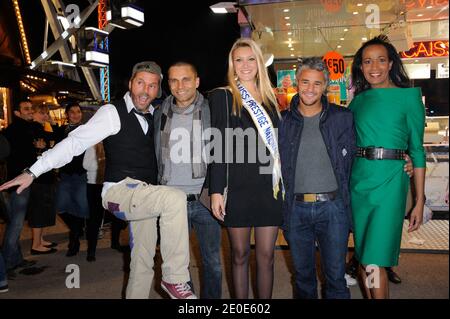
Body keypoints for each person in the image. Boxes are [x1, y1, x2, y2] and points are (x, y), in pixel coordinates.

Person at [0, 61, 196, 299]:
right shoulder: (112, 112)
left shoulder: (155, 115)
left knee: (142, 262)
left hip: (146, 195)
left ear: (158, 89)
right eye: (141, 83)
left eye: (152, 85)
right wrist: (33, 172)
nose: (145, 90)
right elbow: (75, 143)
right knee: (175, 199)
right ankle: (175, 279)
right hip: (120, 191)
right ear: (131, 83)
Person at [349, 35, 426, 299]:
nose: (374, 67)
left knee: (375, 256)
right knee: (363, 257)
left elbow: (417, 150)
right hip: (359, 181)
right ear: (360, 66)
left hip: (391, 182)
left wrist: (418, 199)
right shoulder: (357, 101)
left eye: (381, 60)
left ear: (391, 64)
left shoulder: (409, 97)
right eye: (367, 61)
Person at [209, 38, 283, 299]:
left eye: (251, 59)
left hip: (268, 188)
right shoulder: (222, 96)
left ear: (259, 63)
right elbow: (217, 145)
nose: (245, 65)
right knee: (239, 254)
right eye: (238, 60)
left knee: (266, 256)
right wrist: (216, 190)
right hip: (237, 188)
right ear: (232, 65)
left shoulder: (272, 100)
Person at [279, 57, 355, 299]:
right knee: (302, 278)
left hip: (333, 209)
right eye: (305, 82)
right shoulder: (282, 121)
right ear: (296, 83)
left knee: (335, 278)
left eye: (317, 83)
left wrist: (402, 160)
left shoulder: (343, 118)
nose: (310, 89)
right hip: (296, 209)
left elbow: (358, 158)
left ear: (325, 86)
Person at [154, 61, 222, 298]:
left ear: (197, 82)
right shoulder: (159, 112)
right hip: (172, 200)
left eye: (186, 79)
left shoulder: (213, 110)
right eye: (174, 80)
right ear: (168, 83)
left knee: (212, 262)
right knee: (177, 268)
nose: (180, 85)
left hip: (205, 199)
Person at [1, 100, 37, 273]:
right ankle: (7, 262)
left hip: (14, 182)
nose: (31, 111)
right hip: (18, 183)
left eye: (31, 108)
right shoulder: (19, 130)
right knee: (15, 224)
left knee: (14, 223)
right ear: (17, 113)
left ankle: (15, 259)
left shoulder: (14, 130)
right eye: (26, 109)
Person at [53, 104, 89, 257]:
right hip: (65, 174)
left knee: (81, 206)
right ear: (67, 114)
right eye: (72, 112)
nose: (76, 114)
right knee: (60, 206)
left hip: (81, 174)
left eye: (78, 112)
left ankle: (74, 239)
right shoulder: (61, 131)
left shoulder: (87, 130)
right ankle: (76, 230)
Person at [28, 103, 58, 255]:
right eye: (42, 113)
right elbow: (52, 138)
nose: (45, 116)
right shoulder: (33, 128)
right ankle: (36, 244)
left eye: (46, 113)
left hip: (44, 175)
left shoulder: (40, 128)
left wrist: (52, 124)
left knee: (44, 208)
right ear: (34, 113)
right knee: (39, 209)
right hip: (38, 176)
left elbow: (52, 139)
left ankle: (40, 240)